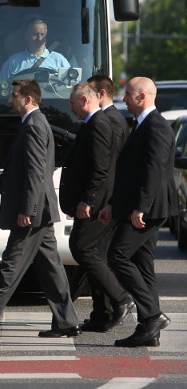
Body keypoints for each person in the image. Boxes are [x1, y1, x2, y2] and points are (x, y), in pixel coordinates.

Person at [0, 79, 79, 341]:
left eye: (14, 96)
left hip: (33, 212)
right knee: (51, 267)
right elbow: (26, 170)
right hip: (39, 210)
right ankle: (67, 321)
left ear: (29, 99)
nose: (10, 101)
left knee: (12, 264)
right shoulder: (33, 123)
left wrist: (28, 209)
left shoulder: (34, 125)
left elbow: (35, 173)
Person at [98, 77, 177, 347]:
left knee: (118, 256)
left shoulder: (157, 126)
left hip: (148, 209)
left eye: (128, 95)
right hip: (138, 206)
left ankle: (152, 315)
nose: (125, 99)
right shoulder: (143, 124)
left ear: (141, 97)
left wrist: (140, 207)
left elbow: (152, 172)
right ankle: (148, 328)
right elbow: (132, 173)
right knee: (143, 266)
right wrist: (113, 204)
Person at [59, 82, 133, 333]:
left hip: (96, 203)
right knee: (93, 253)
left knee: (82, 248)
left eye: (72, 103)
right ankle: (103, 312)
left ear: (84, 100)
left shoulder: (99, 124)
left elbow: (100, 169)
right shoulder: (93, 123)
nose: (71, 109)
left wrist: (88, 200)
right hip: (95, 201)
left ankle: (121, 298)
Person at [0, 18, 70, 81]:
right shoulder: (13, 62)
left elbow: (71, 86)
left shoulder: (59, 59)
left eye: (42, 34)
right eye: (35, 34)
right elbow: (0, 88)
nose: (39, 38)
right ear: (26, 36)